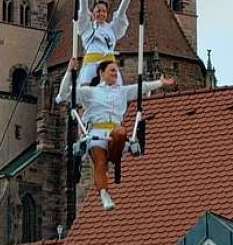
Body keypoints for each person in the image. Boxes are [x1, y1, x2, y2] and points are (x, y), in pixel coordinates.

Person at [56, 58, 175, 210]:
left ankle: (116, 158)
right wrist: (68, 71)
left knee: (121, 132)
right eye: (112, 70)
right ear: (101, 73)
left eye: (116, 71)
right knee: (99, 161)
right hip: (96, 132)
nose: (115, 73)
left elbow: (141, 87)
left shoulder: (122, 91)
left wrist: (160, 83)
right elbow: (65, 94)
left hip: (114, 133)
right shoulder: (90, 92)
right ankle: (104, 194)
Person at [77, 0, 133, 85]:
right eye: (98, 11)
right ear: (93, 13)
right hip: (91, 65)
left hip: (108, 64)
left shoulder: (111, 29)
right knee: (90, 92)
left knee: (113, 93)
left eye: (103, 11)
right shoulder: (87, 28)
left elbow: (121, 12)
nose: (101, 13)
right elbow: (83, 10)